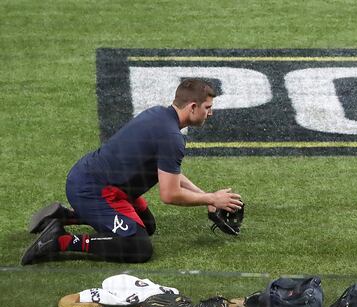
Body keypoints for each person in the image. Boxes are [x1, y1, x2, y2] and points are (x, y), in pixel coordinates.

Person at [21, 79, 243, 265]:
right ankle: (59, 241)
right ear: (192, 107)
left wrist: (206, 198)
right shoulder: (172, 137)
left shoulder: (159, 115)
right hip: (93, 190)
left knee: (147, 226)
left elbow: (169, 172)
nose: (211, 113)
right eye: (207, 107)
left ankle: (66, 216)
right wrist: (211, 197)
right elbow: (170, 194)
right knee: (138, 246)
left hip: (97, 181)